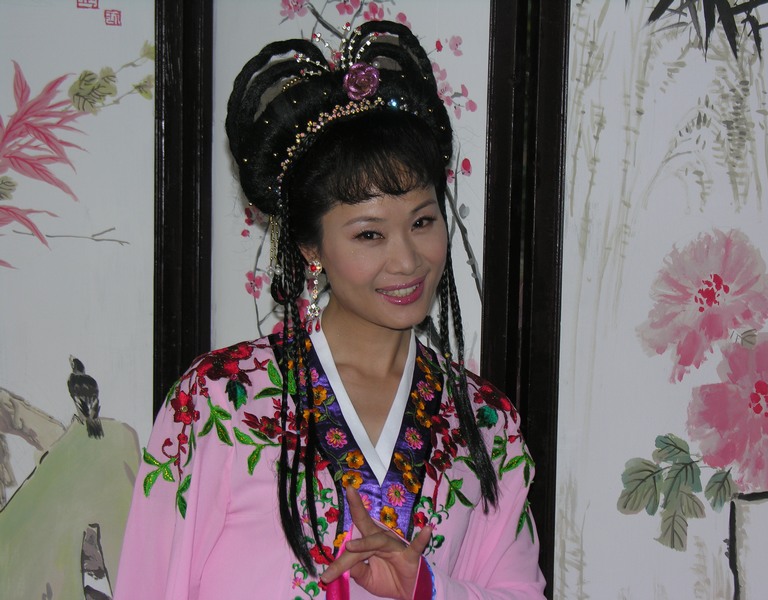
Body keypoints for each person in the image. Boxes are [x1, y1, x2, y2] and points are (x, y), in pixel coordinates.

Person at [116, 20, 546, 600]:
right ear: (311, 248)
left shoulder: (486, 423)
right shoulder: (220, 401)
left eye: (422, 222)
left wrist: (429, 588)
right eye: (370, 234)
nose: (407, 261)